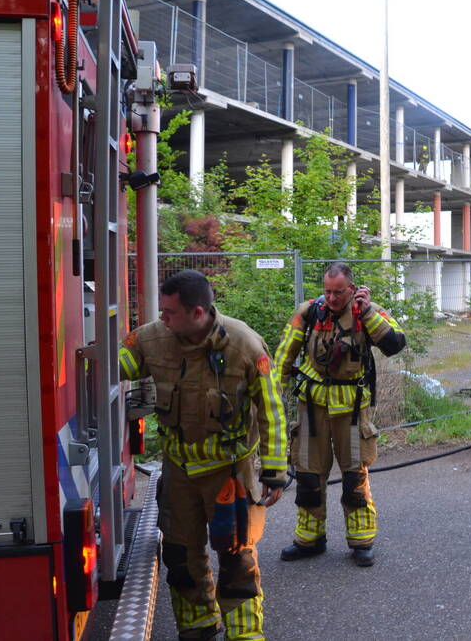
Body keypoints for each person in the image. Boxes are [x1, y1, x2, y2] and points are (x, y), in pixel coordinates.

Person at [119, 270, 287, 641]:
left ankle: (244, 634)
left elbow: (271, 410)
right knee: (181, 554)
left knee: (236, 557)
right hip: (179, 472)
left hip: (230, 473)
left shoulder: (244, 345)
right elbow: (120, 364)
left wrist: (275, 470)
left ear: (197, 312)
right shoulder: (153, 338)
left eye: (169, 312)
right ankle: (197, 625)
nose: (162, 318)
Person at [274, 262, 407, 567]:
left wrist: (367, 312)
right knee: (308, 475)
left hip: (351, 409)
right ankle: (309, 540)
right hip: (312, 407)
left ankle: (361, 542)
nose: (331, 298)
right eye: (327, 291)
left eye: (338, 292)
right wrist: (272, 396)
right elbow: (284, 354)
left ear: (351, 288)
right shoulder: (308, 312)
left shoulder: (368, 311)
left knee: (354, 477)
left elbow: (395, 344)